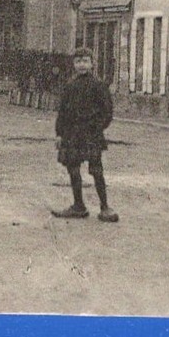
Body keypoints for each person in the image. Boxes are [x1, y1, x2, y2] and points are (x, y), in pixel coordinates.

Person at [52, 47, 118, 222]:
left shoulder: (98, 85)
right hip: (72, 134)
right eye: (78, 61)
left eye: (85, 61)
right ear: (74, 64)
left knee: (96, 169)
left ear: (92, 63)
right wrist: (59, 133)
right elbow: (62, 112)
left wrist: (97, 128)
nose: (82, 65)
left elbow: (107, 112)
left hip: (91, 134)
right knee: (73, 168)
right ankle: (78, 206)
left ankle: (105, 207)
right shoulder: (70, 85)